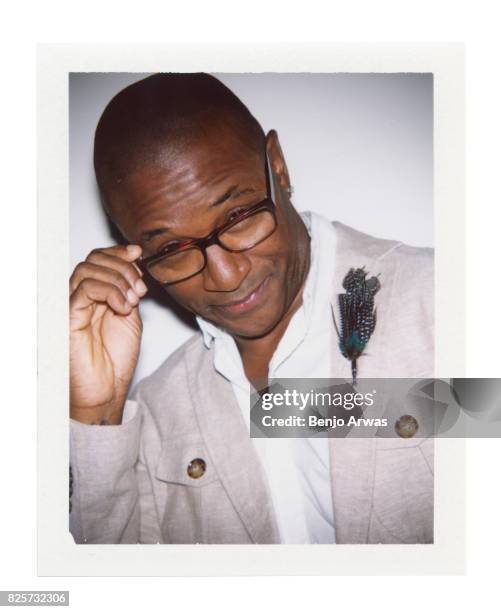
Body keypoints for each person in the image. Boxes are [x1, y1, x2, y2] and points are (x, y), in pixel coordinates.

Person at [69, 73, 434, 545]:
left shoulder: (445, 303)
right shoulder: (156, 413)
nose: (225, 276)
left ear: (277, 168)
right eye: (173, 249)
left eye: (238, 217)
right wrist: (97, 411)